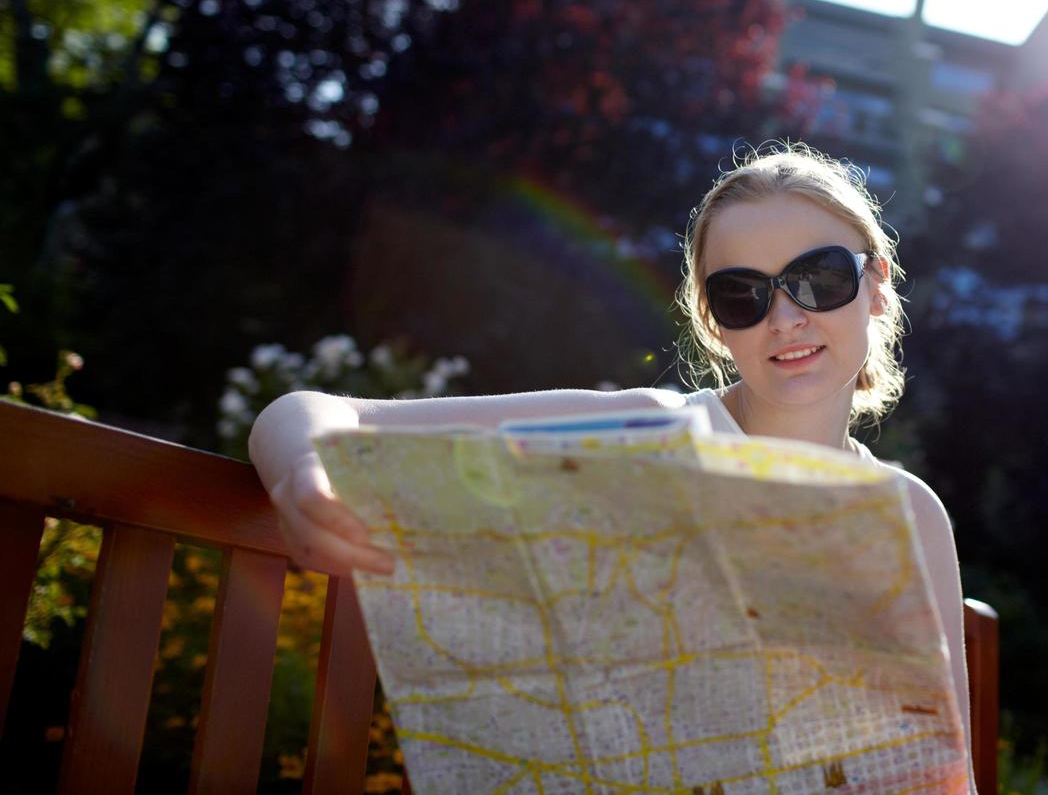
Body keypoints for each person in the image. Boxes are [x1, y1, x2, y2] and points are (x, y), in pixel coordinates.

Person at [249, 141, 972, 764]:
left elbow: (947, 771)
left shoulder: (911, 514)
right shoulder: (640, 434)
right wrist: (304, 472)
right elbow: (311, 413)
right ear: (714, 324)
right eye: (741, 295)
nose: (786, 318)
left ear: (876, 287)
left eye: (819, 279)